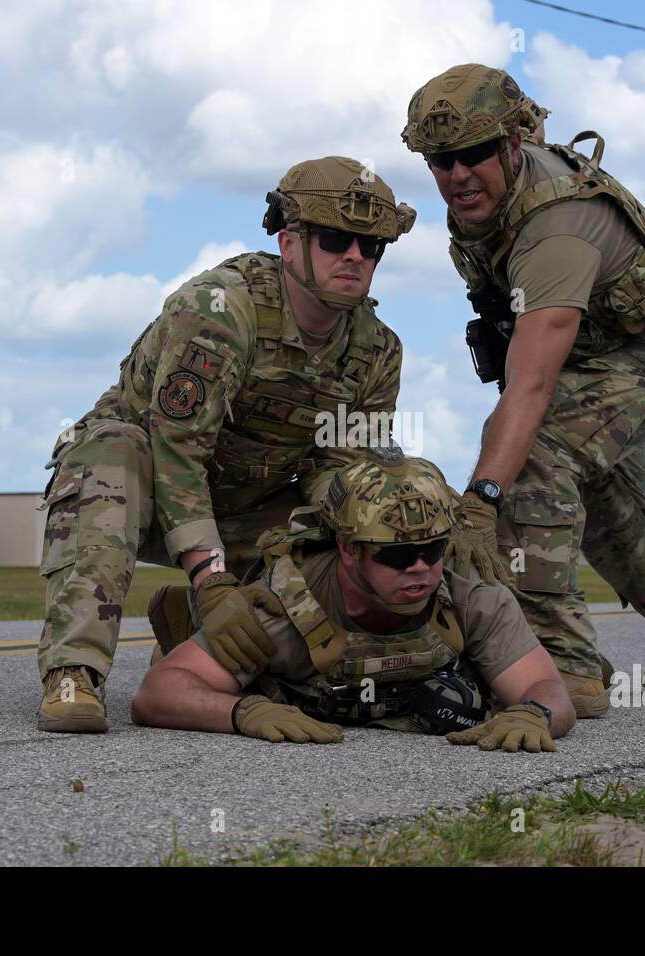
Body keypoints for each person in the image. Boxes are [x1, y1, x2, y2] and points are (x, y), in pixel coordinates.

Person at [399, 64, 645, 719]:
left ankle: (565, 670)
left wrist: (480, 502)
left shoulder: (557, 227)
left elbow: (531, 385)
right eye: (440, 160)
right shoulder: (494, 186)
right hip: (585, 357)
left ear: (508, 149)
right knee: (614, 530)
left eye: (472, 155)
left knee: (531, 454)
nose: (456, 175)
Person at [36, 157, 416, 733]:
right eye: (338, 239)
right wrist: (212, 579)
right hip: (145, 484)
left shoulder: (376, 351)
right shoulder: (220, 311)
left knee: (348, 524)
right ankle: (74, 672)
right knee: (112, 454)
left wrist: (390, 516)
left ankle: (211, 646)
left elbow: (337, 471)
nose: (356, 257)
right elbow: (177, 454)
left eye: (373, 246)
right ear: (290, 244)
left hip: (243, 505)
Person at [132, 450, 575, 752]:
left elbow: (548, 691)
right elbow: (157, 694)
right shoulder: (283, 609)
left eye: (434, 550)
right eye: (397, 555)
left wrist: (535, 714)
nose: (420, 567)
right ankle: (185, 627)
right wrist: (242, 711)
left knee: (589, 695)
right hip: (283, 667)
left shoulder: (469, 599)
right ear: (347, 549)